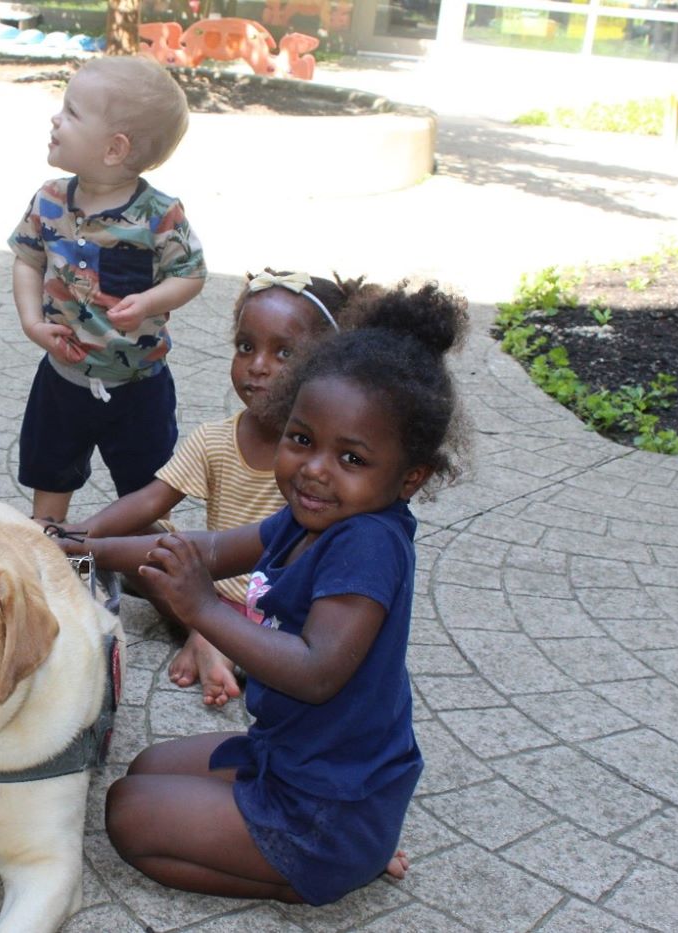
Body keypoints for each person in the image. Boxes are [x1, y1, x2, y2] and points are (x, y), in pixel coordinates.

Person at [90, 282, 470, 905]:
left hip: (328, 802)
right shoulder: (310, 514)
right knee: (146, 769)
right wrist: (83, 547)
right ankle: (339, 851)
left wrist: (202, 609)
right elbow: (207, 551)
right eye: (302, 440)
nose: (315, 469)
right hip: (290, 754)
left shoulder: (367, 544)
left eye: (351, 457)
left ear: (410, 478)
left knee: (127, 813)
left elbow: (317, 671)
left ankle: (324, 872)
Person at [53, 271, 368, 708]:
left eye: (284, 352)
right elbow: (149, 500)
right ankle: (208, 636)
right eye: (245, 347)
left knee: (157, 558)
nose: (258, 365)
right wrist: (73, 536)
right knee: (150, 538)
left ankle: (208, 637)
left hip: (282, 615)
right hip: (213, 589)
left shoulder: (318, 461)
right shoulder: (215, 438)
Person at [9, 56, 207, 524]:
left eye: (73, 112)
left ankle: (141, 568)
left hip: (139, 388)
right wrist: (32, 323)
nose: (56, 119)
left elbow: (191, 274)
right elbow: (27, 258)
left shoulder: (158, 215)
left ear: (115, 149)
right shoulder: (50, 199)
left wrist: (152, 301)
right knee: (51, 482)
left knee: (143, 498)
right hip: (63, 379)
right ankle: (59, 566)